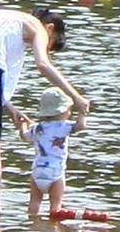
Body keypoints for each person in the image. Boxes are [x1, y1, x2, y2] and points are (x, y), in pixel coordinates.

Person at [0, 7, 89, 213]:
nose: (38, 47)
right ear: (49, 28)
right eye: (50, 45)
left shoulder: (7, 17)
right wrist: (76, 97)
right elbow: (43, 65)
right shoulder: (37, 27)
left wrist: (10, 107)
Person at [16, 88, 88, 219]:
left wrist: (22, 125)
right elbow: (80, 126)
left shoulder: (37, 127)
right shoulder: (64, 126)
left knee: (34, 203)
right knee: (55, 207)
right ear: (64, 111)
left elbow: (24, 137)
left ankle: (32, 226)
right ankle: (53, 230)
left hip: (37, 170)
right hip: (55, 172)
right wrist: (82, 113)